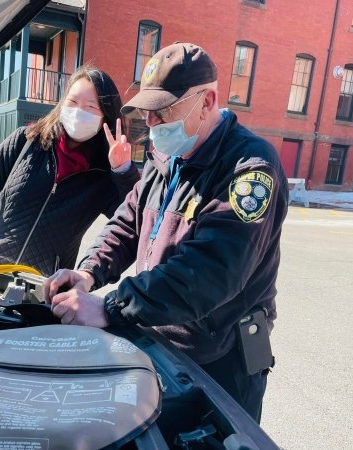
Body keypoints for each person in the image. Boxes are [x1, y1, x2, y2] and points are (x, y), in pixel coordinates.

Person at [43, 42, 289, 422]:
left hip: (223, 359)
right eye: (148, 113)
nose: (153, 125)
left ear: (207, 101)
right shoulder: (166, 159)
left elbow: (210, 274)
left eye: (164, 112)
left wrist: (110, 307)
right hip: (161, 340)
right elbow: (126, 224)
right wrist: (89, 272)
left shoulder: (250, 169)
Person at [0, 66, 140, 276]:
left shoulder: (103, 175)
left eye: (91, 107)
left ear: (105, 117)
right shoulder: (26, 141)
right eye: (72, 102)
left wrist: (123, 171)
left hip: (42, 290)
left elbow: (134, 224)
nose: (78, 112)